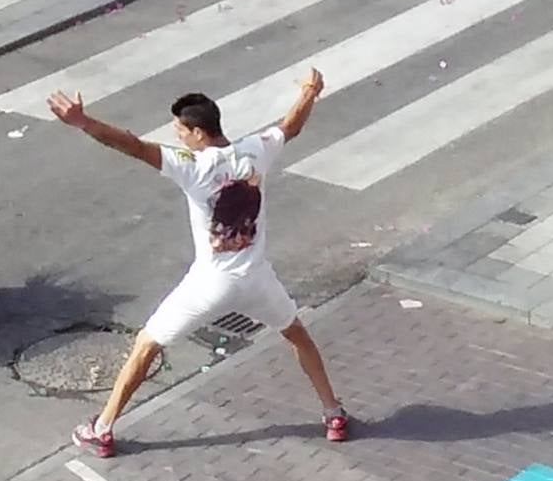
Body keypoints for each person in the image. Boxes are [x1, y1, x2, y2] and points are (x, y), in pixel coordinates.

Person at [47, 69, 348, 458]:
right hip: (257, 279)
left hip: (208, 283)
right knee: (297, 335)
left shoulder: (193, 166)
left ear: (198, 134)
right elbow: (291, 126)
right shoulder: (256, 149)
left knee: (146, 345)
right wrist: (311, 90)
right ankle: (333, 412)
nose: (177, 137)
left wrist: (83, 122)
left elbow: (132, 145)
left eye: (180, 131)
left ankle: (101, 429)